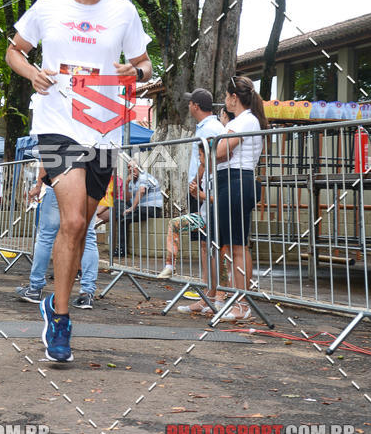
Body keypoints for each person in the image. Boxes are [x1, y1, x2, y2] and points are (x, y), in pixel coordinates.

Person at [6, 0, 152, 361]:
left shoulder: (123, 12)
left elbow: (143, 63)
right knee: (70, 221)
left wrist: (135, 71)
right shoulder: (48, 7)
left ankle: (54, 301)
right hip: (56, 122)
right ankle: (62, 318)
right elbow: (14, 51)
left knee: (83, 225)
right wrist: (31, 72)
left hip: (104, 127)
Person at [213, 75, 267, 320]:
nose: (224, 101)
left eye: (226, 96)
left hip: (238, 181)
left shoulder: (246, 120)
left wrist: (217, 151)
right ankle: (235, 299)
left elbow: (220, 150)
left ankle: (242, 304)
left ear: (234, 98)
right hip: (230, 180)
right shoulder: (242, 121)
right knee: (232, 244)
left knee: (237, 245)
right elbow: (220, 153)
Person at [158, 90, 224, 279]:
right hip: (202, 186)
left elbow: (206, 159)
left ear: (196, 105)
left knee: (208, 241)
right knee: (204, 240)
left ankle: (210, 287)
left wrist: (196, 181)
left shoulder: (209, 128)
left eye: (190, 103)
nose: (188, 106)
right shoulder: (206, 126)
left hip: (205, 187)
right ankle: (207, 284)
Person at [16, 165, 99, 309]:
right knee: (88, 236)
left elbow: (46, 154)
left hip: (59, 184)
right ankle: (87, 294)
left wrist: (38, 185)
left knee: (46, 237)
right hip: (88, 186)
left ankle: (35, 288)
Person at [111, 160, 163, 257]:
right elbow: (127, 198)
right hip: (139, 209)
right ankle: (121, 218)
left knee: (124, 219)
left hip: (151, 209)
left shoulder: (144, 176)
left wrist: (132, 208)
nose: (131, 169)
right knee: (117, 203)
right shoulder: (132, 181)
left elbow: (141, 191)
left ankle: (122, 250)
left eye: (133, 167)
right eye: (129, 167)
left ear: (139, 168)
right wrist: (126, 183)